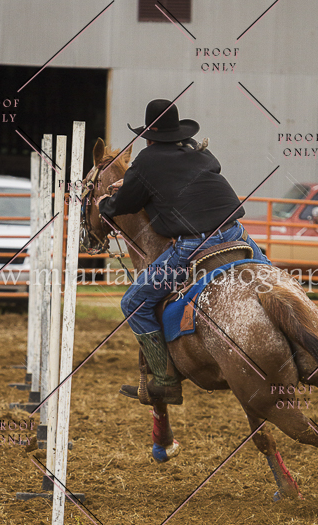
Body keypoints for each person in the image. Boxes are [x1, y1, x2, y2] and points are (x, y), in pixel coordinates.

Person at [96, 98, 271, 405]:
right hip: (234, 231)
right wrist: (140, 180)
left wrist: (104, 205)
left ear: (148, 137)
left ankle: (165, 381)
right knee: (272, 280)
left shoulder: (146, 160)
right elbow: (187, 175)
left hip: (194, 244)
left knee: (134, 303)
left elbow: (124, 204)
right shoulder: (196, 151)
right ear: (177, 130)